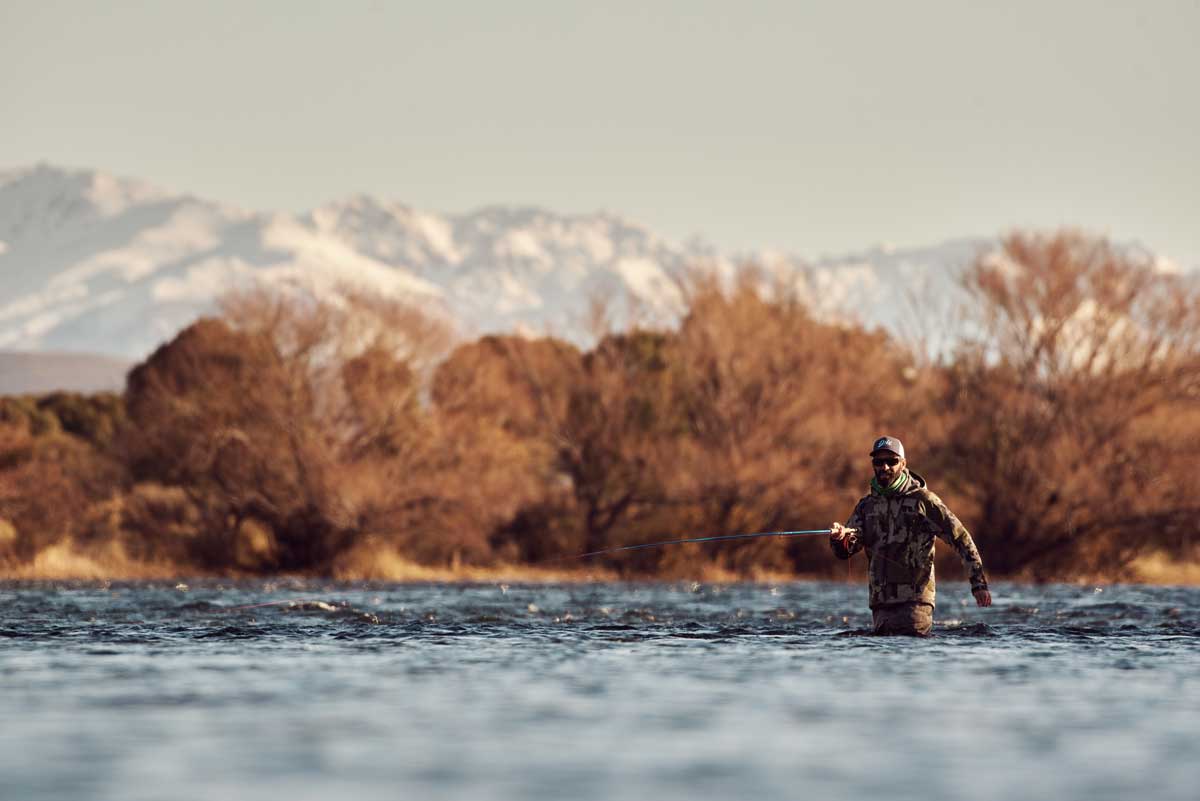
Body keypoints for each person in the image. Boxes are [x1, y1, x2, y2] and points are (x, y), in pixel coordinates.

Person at [830, 436, 991, 636]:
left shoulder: (924, 501)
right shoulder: (866, 506)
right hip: (880, 604)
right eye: (879, 462)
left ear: (903, 463)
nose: (885, 467)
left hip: (915, 603)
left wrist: (978, 585)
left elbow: (962, 539)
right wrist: (839, 539)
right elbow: (846, 551)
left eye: (892, 461)